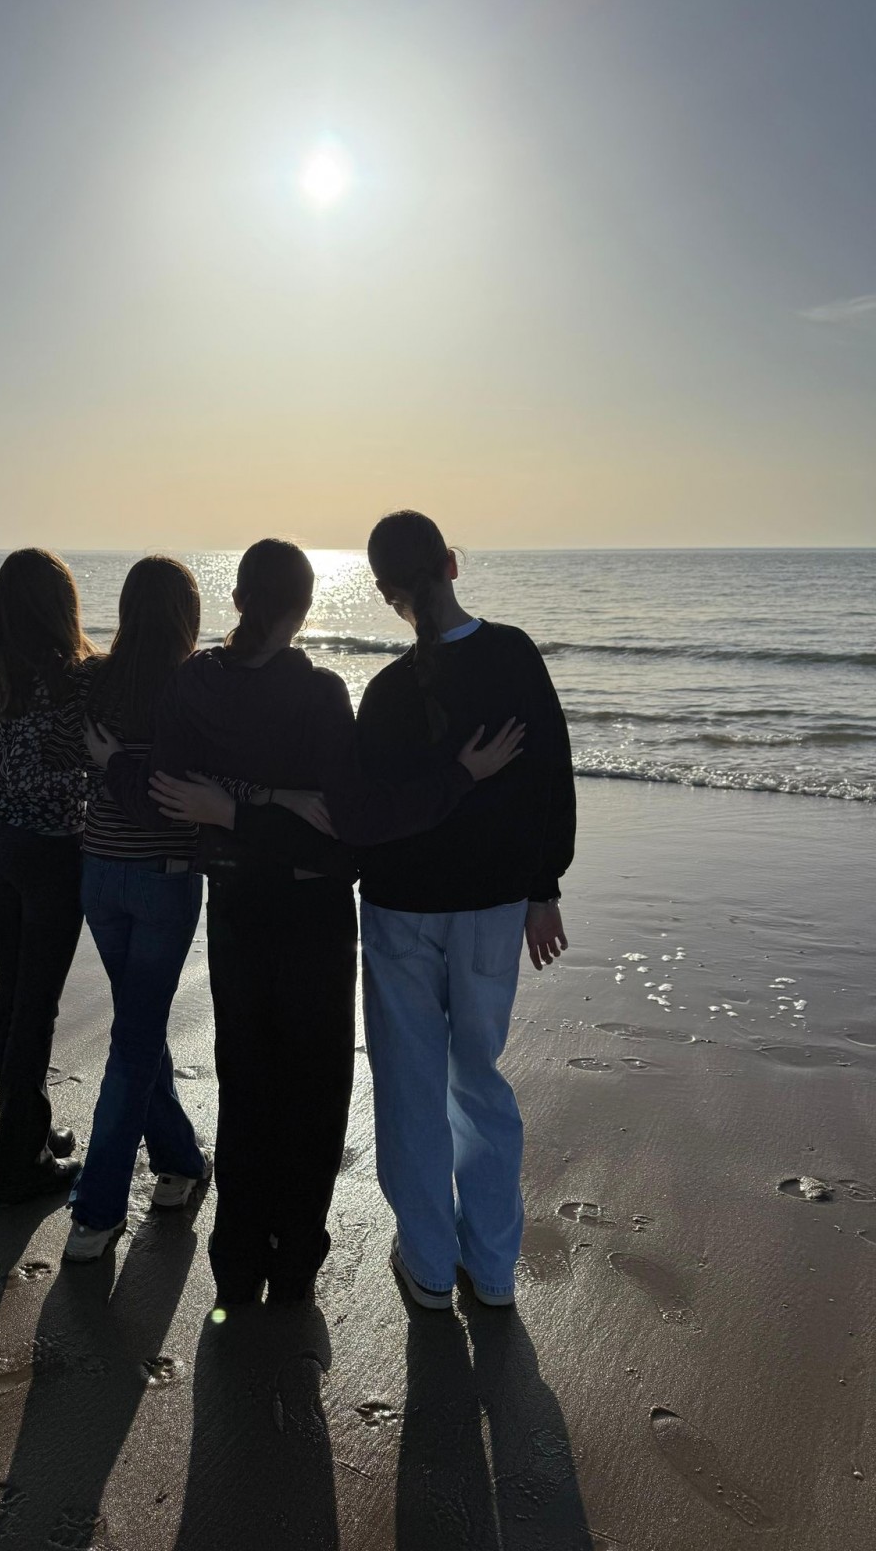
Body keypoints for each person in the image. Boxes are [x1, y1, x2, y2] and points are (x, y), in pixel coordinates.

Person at [92, 539, 522, 1306]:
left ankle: (238, 1266)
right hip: (311, 915)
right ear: (306, 608)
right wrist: (461, 775)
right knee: (315, 1093)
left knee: (246, 1084)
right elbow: (348, 832)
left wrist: (147, 777)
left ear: (237, 601)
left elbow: (169, 799)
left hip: (237, 911)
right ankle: (293, 1266)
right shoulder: (319, 694)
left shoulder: (193, 684)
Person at [356, 510, 575, 1310]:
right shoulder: (513, 654)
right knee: (478, 1081)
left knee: (410, 1089)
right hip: (492, 905)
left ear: (386, 590)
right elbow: (552, 775)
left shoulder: (387, 691)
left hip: (401, 909)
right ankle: (491, 1269)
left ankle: (426, 1262)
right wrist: (544, 889)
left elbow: (367, 813)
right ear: (451, 563)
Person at [60, 556, 247, 1263]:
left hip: (99, 873)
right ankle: (97, 1210)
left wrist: (109, 764)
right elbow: (194, 788)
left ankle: (180, 1162)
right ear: (185, 614)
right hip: (163, 880)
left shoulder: (92, 679)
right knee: (136, 1038)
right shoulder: (194, 684)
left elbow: (67, 755)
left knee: (138, 1026)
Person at [0, 547, 93, 1206]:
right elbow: (82, 765)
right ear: (61, 603)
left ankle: (29, 1130)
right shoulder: (75, 676)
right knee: (35, 1005)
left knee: (11, 992)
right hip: (51, 851)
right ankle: (18, 1165)